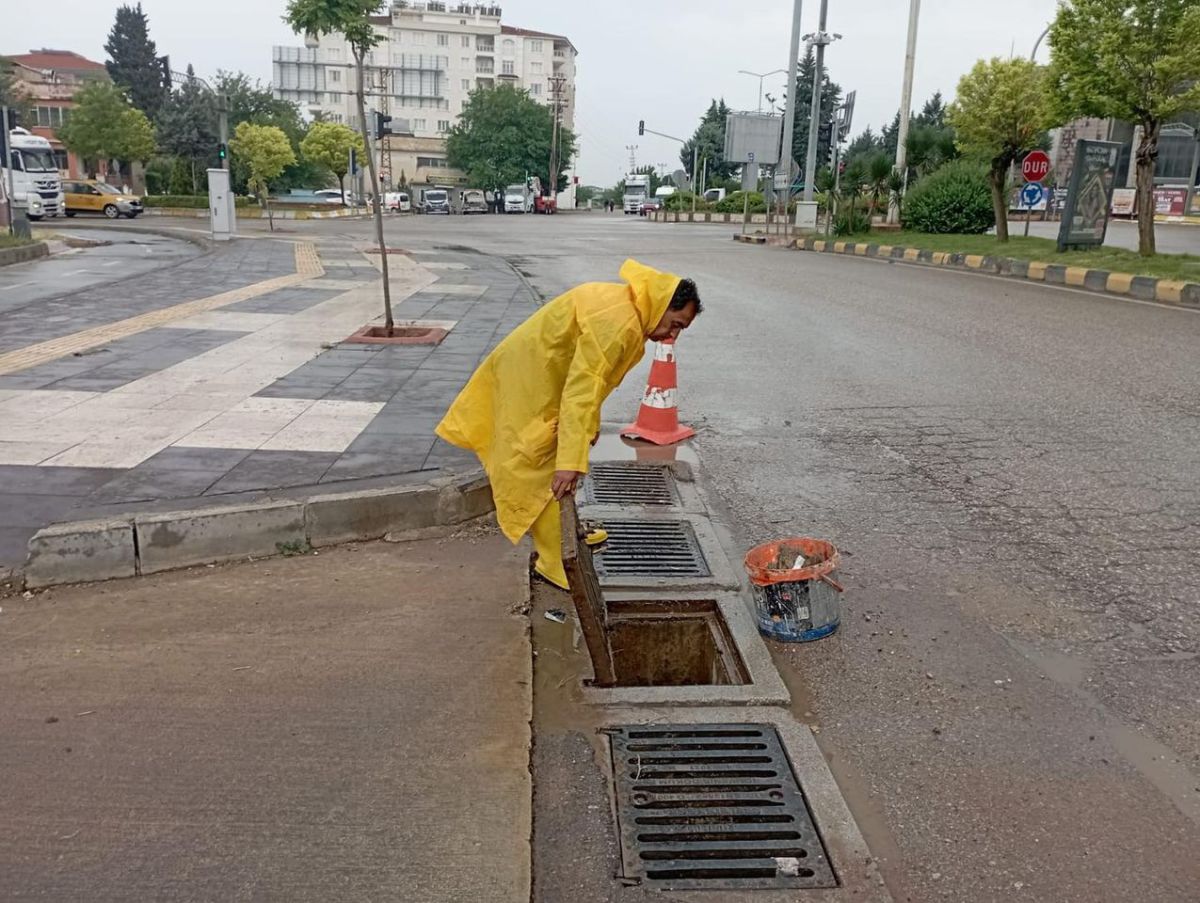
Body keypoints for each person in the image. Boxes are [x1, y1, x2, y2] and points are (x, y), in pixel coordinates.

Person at [436, 259, 702, 588]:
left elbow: (593, 385)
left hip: (545, 375)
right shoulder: (619, 323)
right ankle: (552, 561)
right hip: (530, 378)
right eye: (674, 324)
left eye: (680, 330)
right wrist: (569, 461)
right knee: (544, 470)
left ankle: (569, 535)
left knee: (557, 459)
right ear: (661, 305)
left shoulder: (630, 311)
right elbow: (581, 391)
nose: (671, 335)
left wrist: (585, 429)